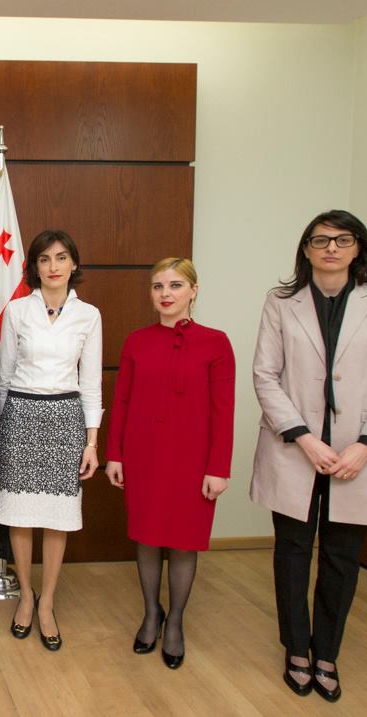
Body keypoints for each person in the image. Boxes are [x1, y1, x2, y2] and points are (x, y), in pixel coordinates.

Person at [251, 210, 367, 702]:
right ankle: (296, 648)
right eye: (320, 240)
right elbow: (265, 375)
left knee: (342, 557)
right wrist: (304, 437)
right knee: (292, 553)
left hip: (357, 453)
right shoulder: (282, 302)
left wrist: (366, 445)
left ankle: (327, 652)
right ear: (306, 249)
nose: (331, 248)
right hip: (296, 448)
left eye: (343, 240)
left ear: (358, 248)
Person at [105, 257, 235, 669]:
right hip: (143, 454)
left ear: (193, 291)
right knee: (146, 538)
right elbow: (122, 401)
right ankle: (151, 614)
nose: (165, 294)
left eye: (175, 285)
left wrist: (218, 468)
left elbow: (223, 411)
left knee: (183, 541)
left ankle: (175, 621)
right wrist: (114, 454)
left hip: (193, 460)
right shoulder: (137, 342)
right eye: (158, 286)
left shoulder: (216, 343)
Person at [0, 229, 102, 652]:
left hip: (65, 419)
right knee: (20, 515)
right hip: (20, 416)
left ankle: (47, 603)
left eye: (61, 258)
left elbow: (90, 384)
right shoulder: (17, 310)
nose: (53, 266)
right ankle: (26, 595)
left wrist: (91, 443)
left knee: (58, 518)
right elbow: (3, 378)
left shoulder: (88, 315)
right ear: (34, 267)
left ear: (74, 264)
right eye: (44, 259)